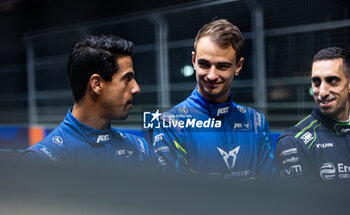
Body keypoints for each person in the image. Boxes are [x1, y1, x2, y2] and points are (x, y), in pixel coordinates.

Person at [150, 19, 276, 180]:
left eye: (222, 66)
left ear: (238, 66)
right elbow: (177, 197)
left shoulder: (256, 122)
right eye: (204, 64)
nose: (211, 75)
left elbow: (269, 192)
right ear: (194, 60)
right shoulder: (170, 124)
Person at [24, 35, 149, 167]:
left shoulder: (139, 150)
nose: (136, 88)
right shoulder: (42, 160)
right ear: (96, 84)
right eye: (127, 78)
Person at [275, 47, 350, 181]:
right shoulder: (293, 141)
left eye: (332, 81)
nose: (322, 92)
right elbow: (299, 201)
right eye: (316, 82)